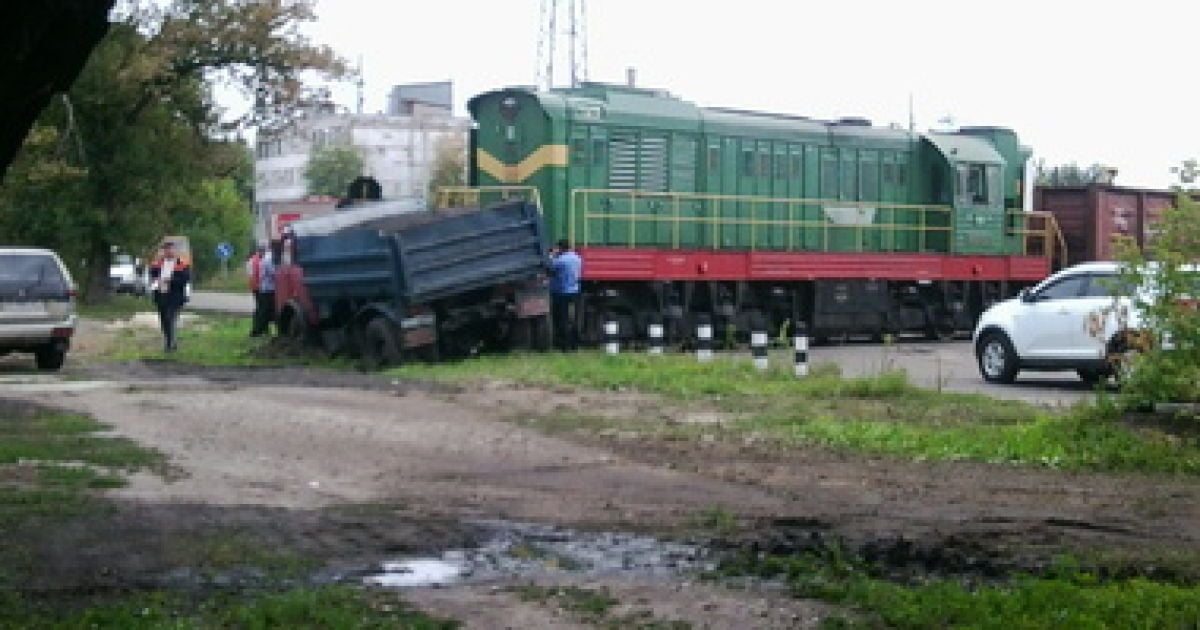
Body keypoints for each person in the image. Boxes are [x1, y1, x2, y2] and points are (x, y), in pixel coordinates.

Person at [149, 241, 191, 352]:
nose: (169, 251)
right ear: (163, 251)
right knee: (163, 319)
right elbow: (152, 277)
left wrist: (170, 280)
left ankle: (170, 343)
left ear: (175, 251)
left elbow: (185, 279)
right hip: (160, 294)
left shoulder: (182, 264)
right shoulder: (157, 264)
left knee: (170, 317)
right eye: (166, 249)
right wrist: (156, 281)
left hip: (175, 295)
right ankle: (169, 339)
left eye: (171, 249)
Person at [549, 239, 582, 351]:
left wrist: (552, 255)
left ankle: (564, 346)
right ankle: (574, 345)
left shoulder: (560, 260)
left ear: (560, 248)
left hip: (561, 294)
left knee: (561, 319)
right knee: (572, 319)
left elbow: (549, 268)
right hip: (575, 292)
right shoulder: (577, 258)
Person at [247, 244, 273, 337]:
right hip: (262, 288)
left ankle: (261, 329)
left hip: (258, 287)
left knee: (261, 309)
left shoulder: (252, 260)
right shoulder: (263, 260)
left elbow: (250, 275)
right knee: (263, 310)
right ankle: (259, 330)